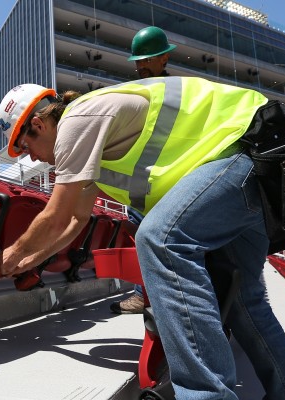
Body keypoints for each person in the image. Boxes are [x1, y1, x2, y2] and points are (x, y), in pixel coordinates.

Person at [0, 77, 285, 399]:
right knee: (246, 301)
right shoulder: (89, 136)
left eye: (25, 146)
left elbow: (55, 215)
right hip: (255, 166)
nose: (30, 158)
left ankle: (206, 395)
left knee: (160, 240)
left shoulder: (77, 121)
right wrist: (31, 260)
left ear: (39, 125)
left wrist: (7, 257)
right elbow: (75, 219)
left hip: (244, 151)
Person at [111, 25, 177, 314]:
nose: (142, 65)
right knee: (140, 239)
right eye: (139, 61)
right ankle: (143, 294)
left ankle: (165, 298)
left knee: (164, 242)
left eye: (148, 59)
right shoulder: (136, 91)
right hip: (142, 178)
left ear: (164, 59)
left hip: (170, 175)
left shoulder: (176, 91)